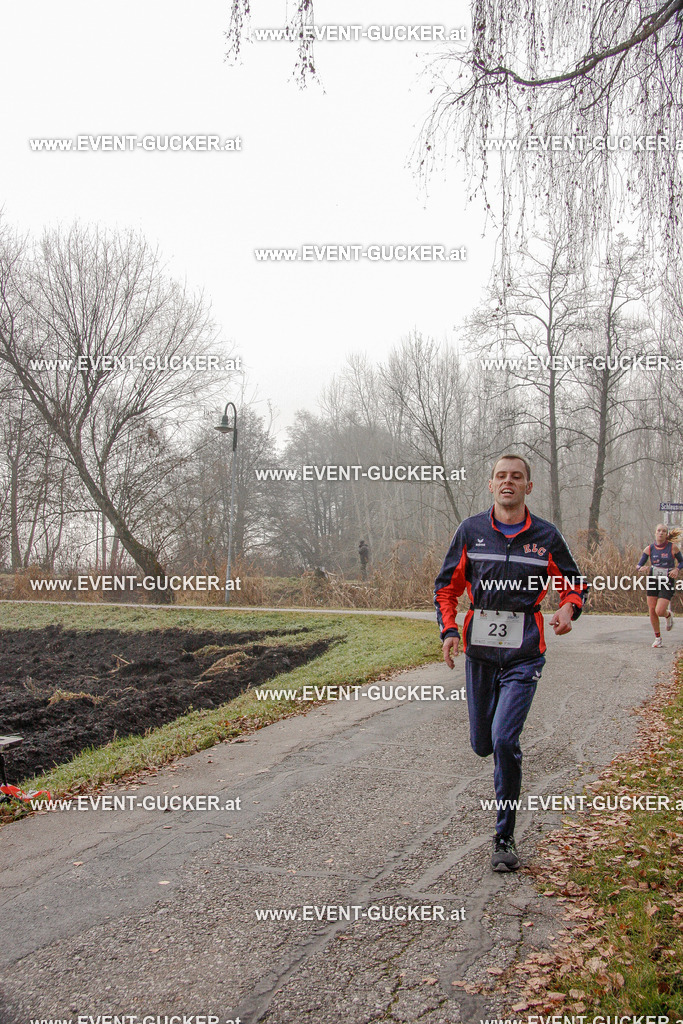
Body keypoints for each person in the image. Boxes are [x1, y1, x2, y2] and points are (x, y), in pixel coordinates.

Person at [434, 454, 587, 872]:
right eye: (501, 476)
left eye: (516, 477)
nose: (508, 482)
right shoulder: (471, 531)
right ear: (491, 485)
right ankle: (493, 752)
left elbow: (575, 584)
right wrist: (449, 631)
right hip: (480, 656)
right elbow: (446, 588)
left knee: (504, 740)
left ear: (528, 487)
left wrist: (567, 610)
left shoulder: (546, 536)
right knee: (483, 744)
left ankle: (504, 836)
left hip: (524, 654)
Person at [636, 524, 682, 647]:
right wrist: (642, 568)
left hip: (667, 581)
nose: (661, 533)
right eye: (659, 531)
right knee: (652, 609)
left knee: (659, 610)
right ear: (655, 533)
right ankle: (658, 638)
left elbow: (682, 561)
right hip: (653, 580)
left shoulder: (673, 548)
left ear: (667, 534)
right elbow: (638, 565)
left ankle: (668, 615)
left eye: (664, 531)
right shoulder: (649, 549)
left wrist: (677, 569)